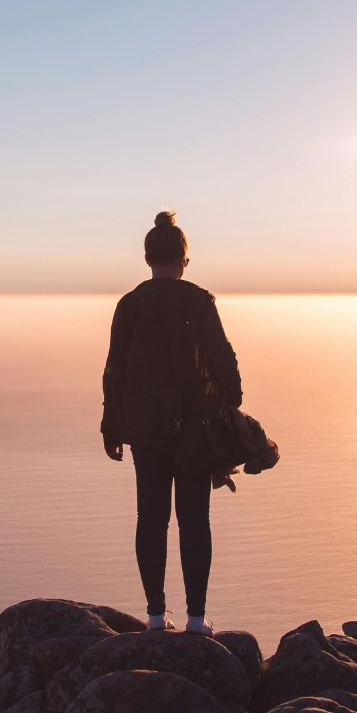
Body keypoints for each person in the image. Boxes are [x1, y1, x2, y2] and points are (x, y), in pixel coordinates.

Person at [101, 210, 242, 634]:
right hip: (196, 430)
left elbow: (115, 371)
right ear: (184, 258)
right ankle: (197, 619)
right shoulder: (200, 302)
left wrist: (112, 427)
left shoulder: (130, 305)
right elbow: (225, 362)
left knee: (152, 519)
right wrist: (229, 409)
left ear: (147, 259)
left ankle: (156, 616)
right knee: (195, 520)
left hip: (145, 429)